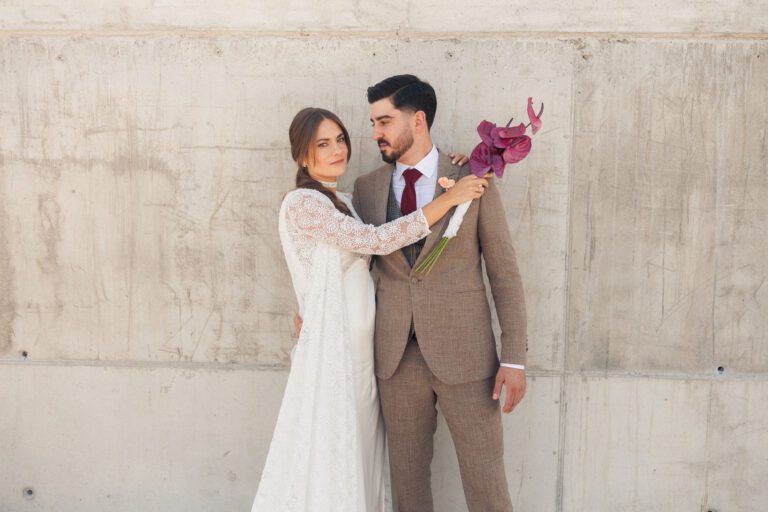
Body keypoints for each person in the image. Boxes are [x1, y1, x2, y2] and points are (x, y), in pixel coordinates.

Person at [252, 107, 488, 512]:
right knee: (332, 452)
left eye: (340, 139)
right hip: (333, 351)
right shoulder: (303, 203)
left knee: (359, 451)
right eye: (322, 144)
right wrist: (448, 199)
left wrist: (455, 167)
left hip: (363, 354)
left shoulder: (343, 200)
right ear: (302, 155)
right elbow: (375, 241)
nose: (336, 150)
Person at [351, 74, 528, 512]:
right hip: (394, 359)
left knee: (487, 486)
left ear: (419, 120)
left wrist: (514, 357)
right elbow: (355, 267)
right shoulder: (367, 188)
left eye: (385, 121)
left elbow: (504, 272)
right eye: (374, 122)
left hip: (468, 359)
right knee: (407, 490)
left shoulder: (473, 177)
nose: (376, 133)